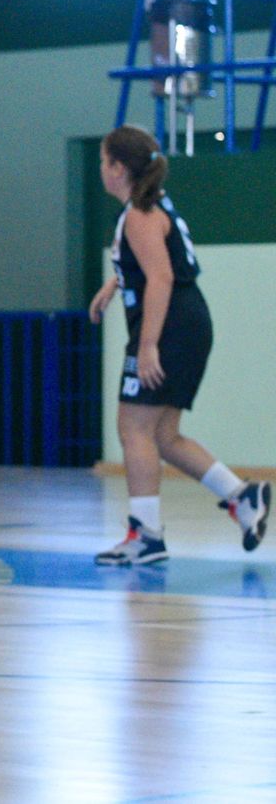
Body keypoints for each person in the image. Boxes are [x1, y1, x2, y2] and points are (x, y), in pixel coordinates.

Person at [88, 125, 269, 564]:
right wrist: (117, 282)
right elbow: (156, 264)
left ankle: (147, 535)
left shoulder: (139, 214)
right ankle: (242, 497)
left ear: (117, 169)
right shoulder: (147, 208)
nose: (100, 169)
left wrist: (147, 346)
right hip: (187, 324)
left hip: (171, 328)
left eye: (103, 161)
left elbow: (163, 277)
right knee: (162, 435)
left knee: (133, 427)